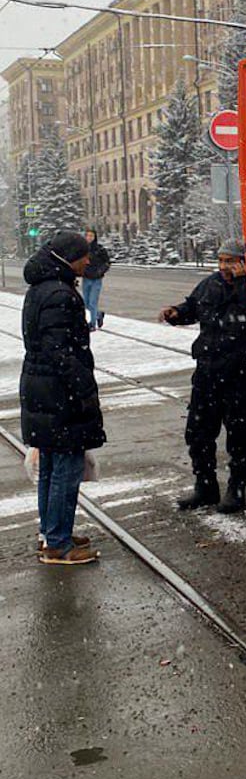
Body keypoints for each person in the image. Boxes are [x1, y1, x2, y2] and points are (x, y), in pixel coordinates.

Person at [159, 238, 246, 513]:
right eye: (221, 260)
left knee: (239, 435)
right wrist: (176, 313)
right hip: (207, 371)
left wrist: (243, 284)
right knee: (198, 431)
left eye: (230, 261)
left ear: (243, 262)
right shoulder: (210, 284)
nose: (224, 266)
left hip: (240, 373)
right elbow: (192, 307)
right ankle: (205, 486)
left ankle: (236, 488)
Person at [20, 230, 105, 565]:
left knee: (53, 467)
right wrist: (83, 386)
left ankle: (52, 533)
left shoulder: (44, 287)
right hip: (59, 392)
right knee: (65, 469)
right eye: (84, 255)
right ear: (69, 257)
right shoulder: (59, 293)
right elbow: (60, 351)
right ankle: (58, 543)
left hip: (44, 388)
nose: (88, 260)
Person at [81, 228, 111, 331]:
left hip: (96, 279)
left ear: (95, 237)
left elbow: (107, 263)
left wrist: (100, 271)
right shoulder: (82, 250)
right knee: (86, 302)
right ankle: (98, 314)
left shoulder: (100, 249)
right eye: (87, 236)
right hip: (86, 278)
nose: (89, 238)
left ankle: (92, 324)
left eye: (91, 236)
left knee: (93, 302)